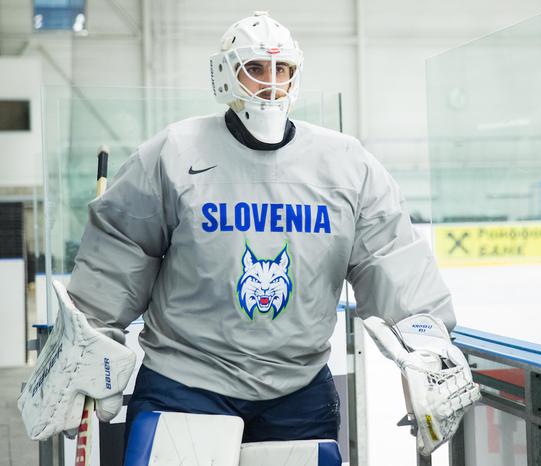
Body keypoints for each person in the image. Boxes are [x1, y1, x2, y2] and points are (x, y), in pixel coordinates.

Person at [29, 10, 471, 459]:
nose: (270, 82)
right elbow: (122, 248)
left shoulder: (346, 164)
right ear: (227, 75)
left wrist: (427, 347)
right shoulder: (174, 152)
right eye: (255, 68)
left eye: (283, 69)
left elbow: (389, 255)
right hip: (186, 383)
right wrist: (89, 338)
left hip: (298, 391)